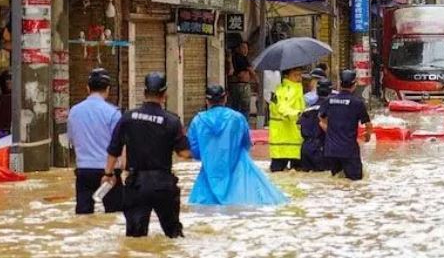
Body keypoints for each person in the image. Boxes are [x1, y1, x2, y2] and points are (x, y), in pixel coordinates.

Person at [102, 72, 191, 238]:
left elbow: (114, 149)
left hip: (137, 185)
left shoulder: (128, 118)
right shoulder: (172, 121)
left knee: (136, 238)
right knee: (174, 236)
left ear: (144, 93)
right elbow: (184, 153)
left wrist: (108, 174)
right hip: (163, 185)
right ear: (165, 95)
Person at [187, 85, 287, 205]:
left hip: (208, 175)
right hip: (236, 173)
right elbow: (246, 144)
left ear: (207, 101)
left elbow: (195, 152)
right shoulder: (237, 118)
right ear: (225, 98)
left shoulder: (197, 120)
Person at [67, 68, 123, 214]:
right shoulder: (113, 113)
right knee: (115, 215)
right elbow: (119, 145)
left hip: (83, 172)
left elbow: (72, 140)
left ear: (87, 88)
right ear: (108, 89)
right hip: (108, 172)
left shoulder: (73, 111)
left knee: (83, 217)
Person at [319, 70, 373, 181]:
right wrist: (368, 137)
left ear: (340, 83)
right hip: (349, 150)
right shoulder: (357, 103)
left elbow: (321, 118)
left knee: (336, 180)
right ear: (354, 84)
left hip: (331, 151)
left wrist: (329, 130)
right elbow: (368, 124)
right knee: (356, 183)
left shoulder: (329, 100)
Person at [268, 66, 305, 172]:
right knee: (282, 172)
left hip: (292, 139)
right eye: (296, 75)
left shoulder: (294, 89)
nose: (299, 78)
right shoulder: (286, 90)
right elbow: (282, 108)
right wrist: (299, 114)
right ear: (286, 76)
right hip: (284, 140)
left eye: (300, 75)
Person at [298, 79, 333, 172]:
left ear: (317, 91)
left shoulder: (307, 110)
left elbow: (300, 127)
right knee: (323, 180)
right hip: (322, 149)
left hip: (305, 149)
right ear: (330, 91)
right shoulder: (332, 110)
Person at [228, 42, 258, 117]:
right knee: (244, 107)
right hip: (242, 86)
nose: (246, 50)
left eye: (247, 48)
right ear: (238, 49)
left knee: (236, 106)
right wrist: (257, 80)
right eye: (243, 48)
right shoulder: (240, 57)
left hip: (239, 85)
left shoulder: (236, 57)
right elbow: (250, 70)